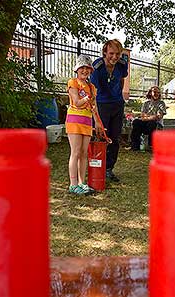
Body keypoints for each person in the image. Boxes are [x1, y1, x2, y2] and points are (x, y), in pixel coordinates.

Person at [90, 39, 128, 182]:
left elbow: (122, 79)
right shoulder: (97, 67)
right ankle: (96, 167)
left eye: (117, 54)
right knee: (100, 136)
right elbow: (93, 93)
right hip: (101, 104)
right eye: (111, 53)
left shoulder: (122, 64)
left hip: (117, 104)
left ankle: (108, 169)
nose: (114, 57)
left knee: (115, 137)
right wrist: (96, 118)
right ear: (104, 53)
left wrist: (118, 94)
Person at [65, 54, 102, 195]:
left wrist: (97, 121)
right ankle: (73, 184)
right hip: (74, 121)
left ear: (91, 70)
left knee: (83, 153)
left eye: (88, 68)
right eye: (82, 68)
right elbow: (76, 102)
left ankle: (82, 183)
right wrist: (87, 98)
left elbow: (95, 107)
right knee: (75, 152)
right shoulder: (73, 82)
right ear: (77, 69)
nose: (85, 71)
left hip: (87, 122)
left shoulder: (92, 87)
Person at [129, 86, 166, 151]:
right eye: (154, 92)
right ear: (150, 93)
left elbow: (159, 116)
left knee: (152, 123)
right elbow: (143, 116)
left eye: (158, 92)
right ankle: (135, 146)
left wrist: (147, 117)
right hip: (146, 124)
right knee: (136, 122)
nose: (156, 93)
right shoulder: (146, 103)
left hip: (156, 125)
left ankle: (151, 146)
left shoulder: (161, 103)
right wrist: (152, 116)